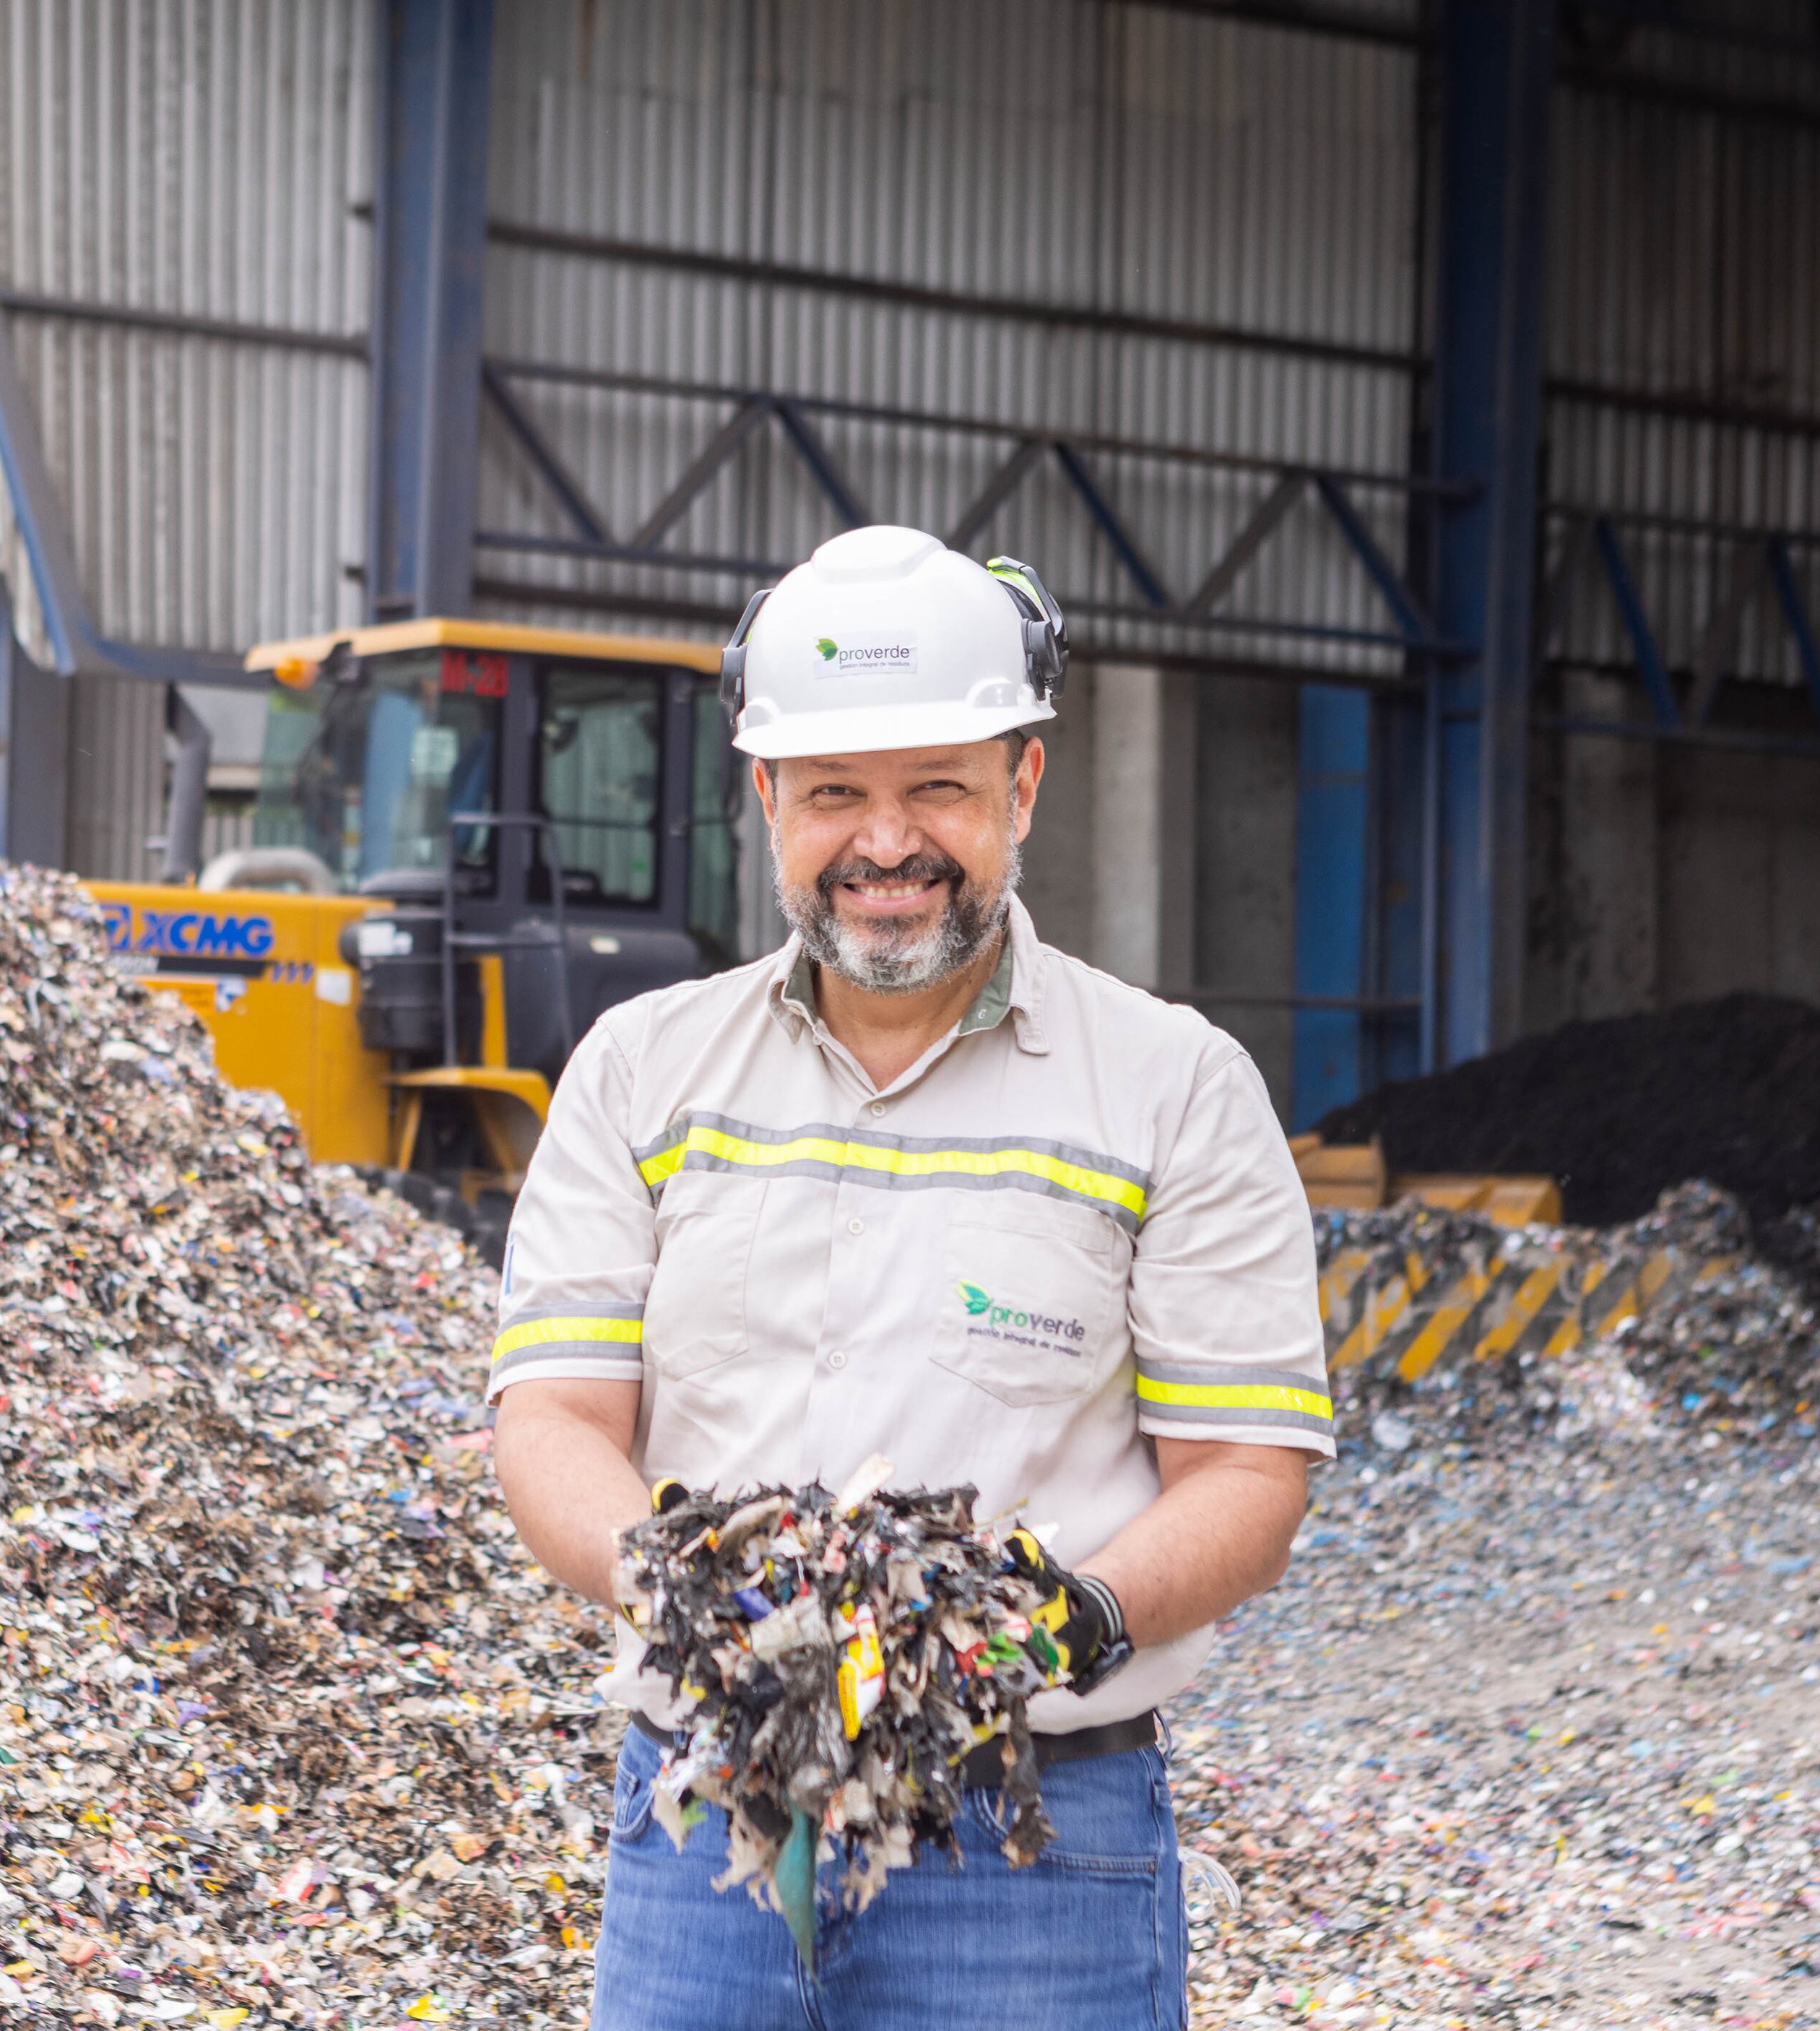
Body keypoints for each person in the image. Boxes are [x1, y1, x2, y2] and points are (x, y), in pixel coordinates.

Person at [488, 524, 1334, 2030]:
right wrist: (684, 1592)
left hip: (1029, 1845)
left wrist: (1069, 1614)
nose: (886, 843)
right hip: (707, 1832)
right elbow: (552, 1417)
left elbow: (1249, 1472)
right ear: (767, 799)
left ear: (1023, 784)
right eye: (834, 794)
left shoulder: (1172, 1087)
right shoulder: (641, 1071)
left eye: (937, 786)